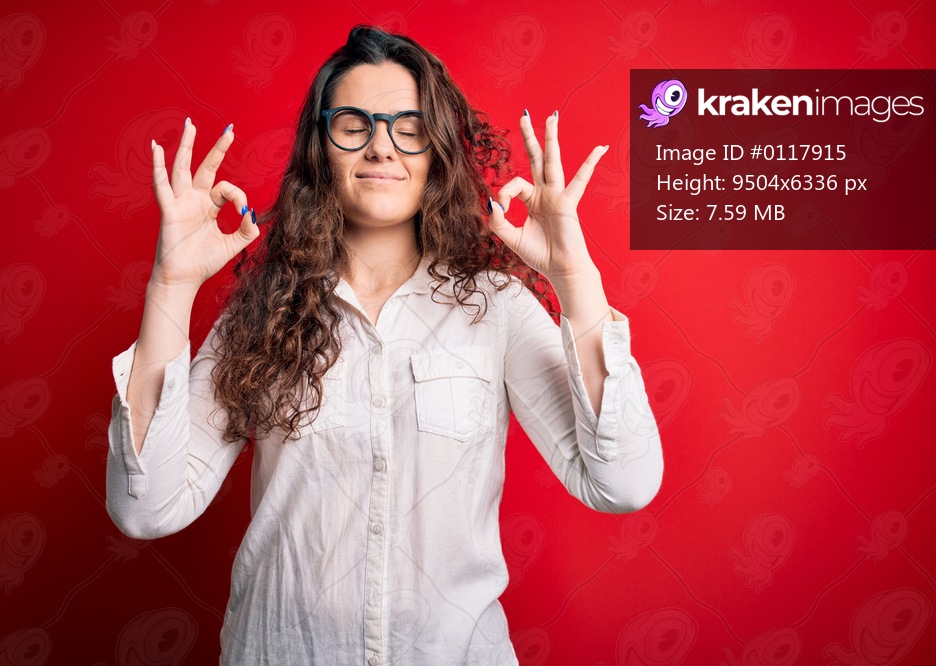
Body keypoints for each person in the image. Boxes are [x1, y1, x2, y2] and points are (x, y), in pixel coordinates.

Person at [105, 24, 663, 665]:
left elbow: (625, 483)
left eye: (410, 125)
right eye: (353, 123)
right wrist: (170, 286)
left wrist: (575, 276)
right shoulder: (261, 313)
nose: (380, 147)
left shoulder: (497, 310)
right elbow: (145, 508)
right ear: (322, 148)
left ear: (439, 150)